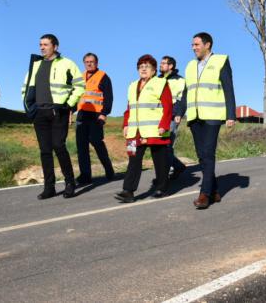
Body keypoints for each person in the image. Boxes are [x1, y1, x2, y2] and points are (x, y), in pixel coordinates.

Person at [176, 32, 235, 210]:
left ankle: (204, 194)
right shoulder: (190, 66)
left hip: (213, 115)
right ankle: (214, 190)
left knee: (208, 154)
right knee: (202, 156)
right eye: (192, 45)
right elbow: (187, 91)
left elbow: (228, 88)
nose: (193, 48)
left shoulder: (221, 61)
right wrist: (180, 111)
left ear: (207, 45)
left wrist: (231, 114)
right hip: (194, 116)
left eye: (196, 44)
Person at [22, 34, 85, 200]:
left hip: (58, 112)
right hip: (39, 113)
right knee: (45, 151)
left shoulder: (67, 64)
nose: (42, 47)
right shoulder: (35, 65)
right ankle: (49, 187)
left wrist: (68, 104)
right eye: (40, 44)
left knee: (58, 145)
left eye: (46, 44)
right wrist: (30, 107)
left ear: (55, 46)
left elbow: (79, 85)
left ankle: (70, 183)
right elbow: (25, 87)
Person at [114, 54, 173, 203]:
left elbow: (168, 107)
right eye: (141, 67)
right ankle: (128, 191)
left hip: (155, 131)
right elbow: (129, 109)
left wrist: (164, 125)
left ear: (154, 70)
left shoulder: (161, 83)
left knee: (159, 161)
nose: (143, 69)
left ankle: (162, 188)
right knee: (133, 159)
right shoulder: (132, 85)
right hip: (135, 132)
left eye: (147, 66)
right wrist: (126, 124)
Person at [75, 52, 115, 185]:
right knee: (81, 146)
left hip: (96, 116)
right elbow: (76, 96)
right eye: (87, 62)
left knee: (96, 142)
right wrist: (71, 111)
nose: (89, 64)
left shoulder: (103, 76)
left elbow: (108, 97)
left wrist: (104, 113)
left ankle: (108, 168)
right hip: (82, 115)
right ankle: (85, 175)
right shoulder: (80, 77)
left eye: (92, 61)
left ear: (96, 63)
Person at [159, 56, 187, 180]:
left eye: (164, 63)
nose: (161, 65)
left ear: (171, 66)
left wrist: (179, 114)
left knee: (167, 144)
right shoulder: (157, 79)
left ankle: (164, 175)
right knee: (160, 145)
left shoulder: (179, 80)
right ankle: (177, 165)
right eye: (161, 63)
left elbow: (182, 99)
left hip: (172, 116)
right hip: (158, 116)